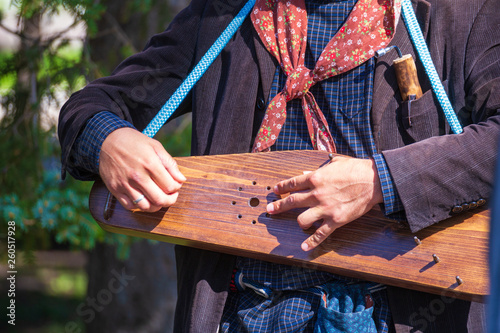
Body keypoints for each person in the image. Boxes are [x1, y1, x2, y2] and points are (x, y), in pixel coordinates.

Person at [58, 0, 500, 331]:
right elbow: (91, 106)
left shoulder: (459, 12)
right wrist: (107, 140)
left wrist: (379, 181)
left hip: (395, 316)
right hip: (241, 314)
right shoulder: (221, 18)